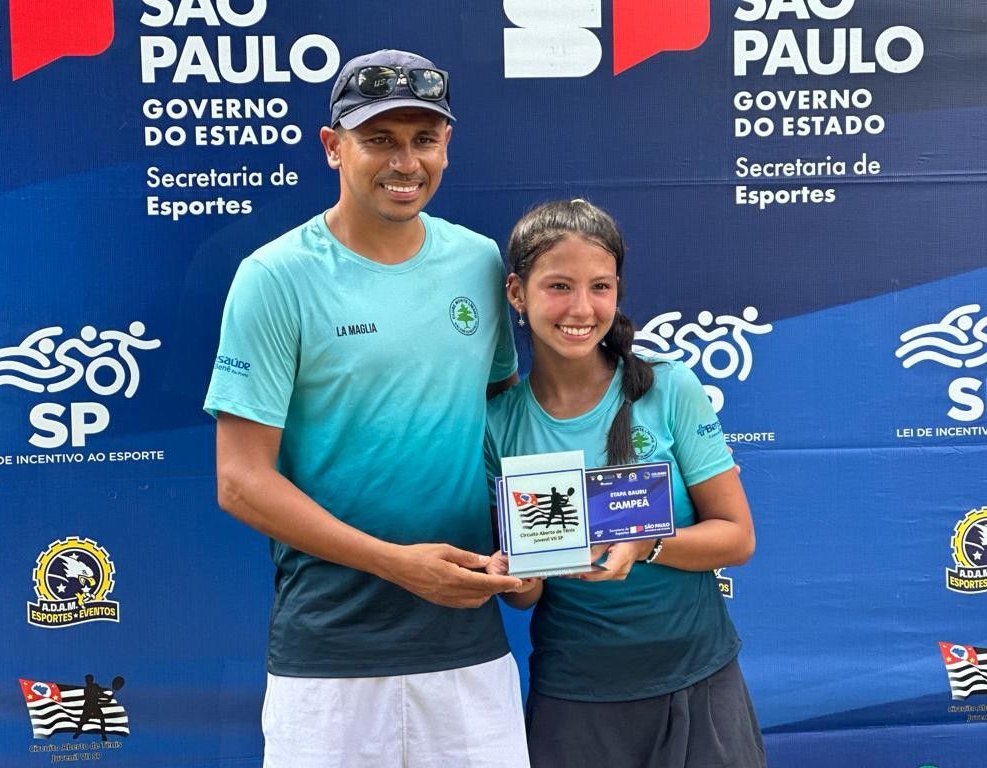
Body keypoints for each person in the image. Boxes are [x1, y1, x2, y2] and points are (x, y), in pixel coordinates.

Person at [204, 49, 530, 768]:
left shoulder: (479, 263)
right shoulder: (273, 278)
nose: (404, 161)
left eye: (423, 138)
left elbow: (501, 424)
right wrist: (397, 564)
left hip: (468, 651)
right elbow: (239, 479)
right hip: (328, 661)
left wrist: (532, 545)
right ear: (333, 147)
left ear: (447, 145)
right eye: (378, 138)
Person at [485, 199, 766, 768]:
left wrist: (646, 545)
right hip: (577, 698)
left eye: (600, 287)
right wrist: (512, 573)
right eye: (559, 286)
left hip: (701, 683)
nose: (582, 309)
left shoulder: (669, 388)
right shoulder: (498, 424)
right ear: (517, 293)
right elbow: (527, 595)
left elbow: (736, 539)